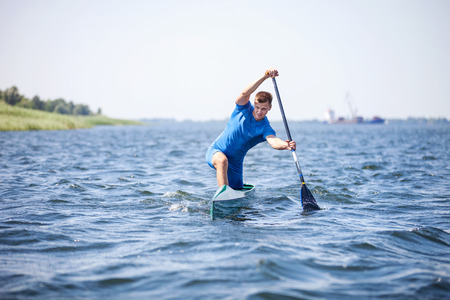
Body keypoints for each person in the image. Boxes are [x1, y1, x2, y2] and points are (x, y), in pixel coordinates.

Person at [206, 68, 296, 189]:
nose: (259, 112)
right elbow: (245, 93)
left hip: (236, 164)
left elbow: (273, 141)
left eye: (263, 109)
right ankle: (223, 195)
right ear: (254, 103)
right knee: (222, 161)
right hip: (216, 151)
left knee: (238, 190)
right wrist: (265, 77)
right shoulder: (242, 108)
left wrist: (286, 145)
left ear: (270, 108)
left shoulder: (265, 127)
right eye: (257, 107)